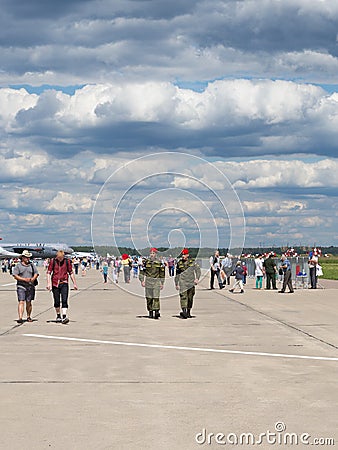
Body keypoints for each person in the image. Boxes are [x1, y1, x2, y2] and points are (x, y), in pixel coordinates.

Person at [46, 250, 78, 324]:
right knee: (56, 301)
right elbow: (48, 273)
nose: (60, 259)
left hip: (64, 283)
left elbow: (71, 273)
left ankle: (64, 316)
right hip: (55, 284)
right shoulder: (53, 261)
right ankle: (58, 316)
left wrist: (75, 284)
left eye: (61, 258)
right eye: (58, 258)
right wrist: (49, 283)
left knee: (64, 299)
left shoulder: (67, 262)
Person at [12, 250, 39, 324]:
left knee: (29, 302)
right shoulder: (18, 266)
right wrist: (24, 279)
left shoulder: (32, 265)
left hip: (30, 286)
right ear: (23, 258)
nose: (28, 258)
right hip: (21, 285)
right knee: (21, 301)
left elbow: (36, 273)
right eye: (26, 257)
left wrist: (33, 278)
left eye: (29, 257)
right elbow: (15, 275)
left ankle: (28, 316)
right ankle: (20, 317)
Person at [174, 248, 201, 319]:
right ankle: (184, 311)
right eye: (182, 254)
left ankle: (188, 311)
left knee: (190, 298)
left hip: (191, 282)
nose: (183, 256)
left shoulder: (193, 262)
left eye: (184, 254)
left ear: (187, 255)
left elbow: (198, 270)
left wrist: (197, 278)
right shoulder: (179, 263)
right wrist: (176, 283)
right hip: (183, 282)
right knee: (183, 297)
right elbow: (177, 274)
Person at [139, 248, 165, 319]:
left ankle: (156, 311)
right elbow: (142, 272)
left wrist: (162, 283)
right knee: (149, 298)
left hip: (156, 282)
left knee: (156, 297)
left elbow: (162, 273)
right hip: (148, 282)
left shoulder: (160, 262)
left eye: (153, 253)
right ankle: (150, 311)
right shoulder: (146, 262)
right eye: (151, 253)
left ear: (156, 254)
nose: (152, 255)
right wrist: (142, 280)